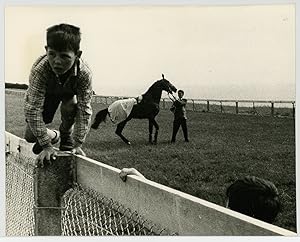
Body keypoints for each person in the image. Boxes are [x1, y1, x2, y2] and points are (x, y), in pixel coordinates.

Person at [24, 23, 93, 166]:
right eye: (52, 54)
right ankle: (55, 136)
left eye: (64, 57)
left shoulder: (84, 73)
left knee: (71, 104)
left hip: (69, 95)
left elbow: (84, 109)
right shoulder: (40, 70)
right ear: (46, 50)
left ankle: (66, 135)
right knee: (30, 137)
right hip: (47, 95)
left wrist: (78, 143)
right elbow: (33, 109)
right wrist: (46, 145)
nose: (57, 62)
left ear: (77, 55)